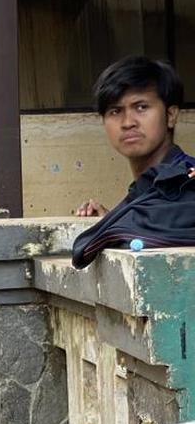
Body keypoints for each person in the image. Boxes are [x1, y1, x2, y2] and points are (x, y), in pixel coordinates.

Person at [71, 56, 195, 268]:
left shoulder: (186, 181)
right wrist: (114, 218)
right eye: (115, 111)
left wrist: (117, 223)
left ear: (171, 115)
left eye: (141, 107)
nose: (128, 122)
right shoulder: (143, 190)